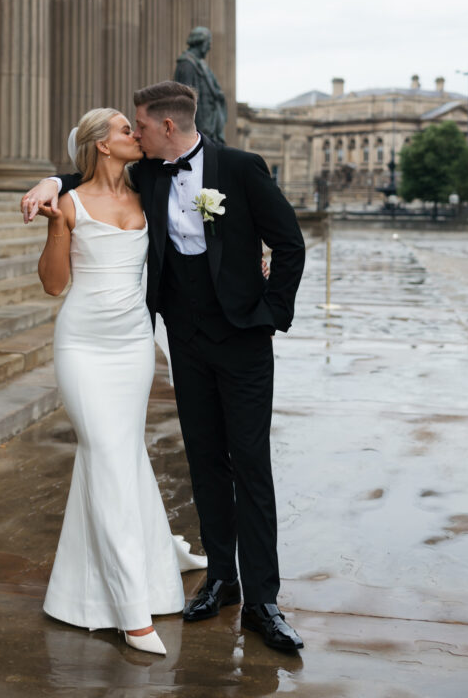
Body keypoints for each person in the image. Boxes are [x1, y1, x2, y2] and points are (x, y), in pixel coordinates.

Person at [23, 82, 306, 653]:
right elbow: (82, 181)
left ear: (167, 128)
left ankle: (264, 601)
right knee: (204, 460)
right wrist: (49, 183)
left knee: (250, 463)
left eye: (141, 126)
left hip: (244, 340)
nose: (136, 133)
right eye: (127, 129)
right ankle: (222, 580)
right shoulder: (148, 174)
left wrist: (270, 315)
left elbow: (290, 242)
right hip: (183, 341)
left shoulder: (242, 167)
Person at [36, 107, 206, 657]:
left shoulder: (150, 187)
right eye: (124, 129)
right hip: (83, 345)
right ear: (101, 146)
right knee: (107, 454)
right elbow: (53, 285)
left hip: (134, 345)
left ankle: (92, 585)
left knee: (122, 455)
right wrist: (59, 222)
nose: (136, 134)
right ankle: (132, 611)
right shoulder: (68, 201)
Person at [174, 26, 227, 144]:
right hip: (198, 128)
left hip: (209, 126)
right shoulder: (187, 64)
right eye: (209, 42)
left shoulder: (202, 65)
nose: (210, 47)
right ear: (201, 42)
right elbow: (185, 101)